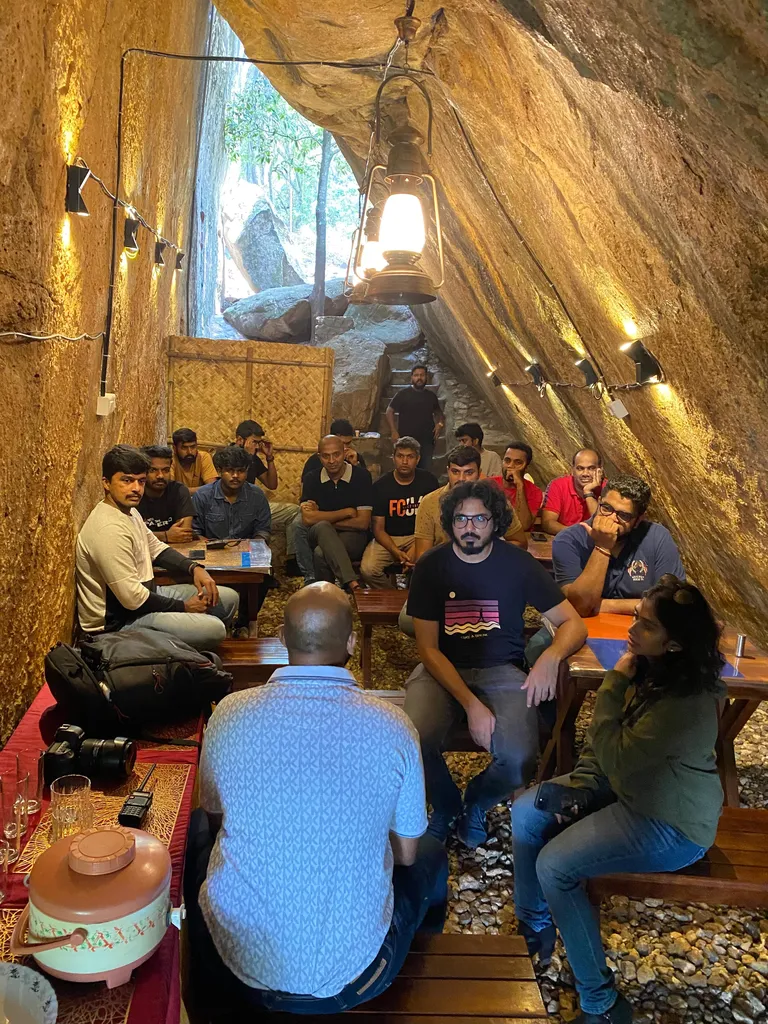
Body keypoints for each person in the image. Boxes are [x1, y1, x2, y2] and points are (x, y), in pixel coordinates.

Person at [184, 583, 448, 1018]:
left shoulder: (229, 713)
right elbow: (405, 855)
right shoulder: (394, 725)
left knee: (195, 834)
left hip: (234, 970)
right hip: (356, 978)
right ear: (351, 642)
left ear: (282, 638)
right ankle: (421, 963)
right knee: (432, 853)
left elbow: (217, 824)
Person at [511, 576, 725, 1024]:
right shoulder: (653, 670)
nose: (632, 629)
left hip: (670, 822)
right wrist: (586, 783)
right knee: (527, 813)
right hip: (628, 788)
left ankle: (602, 1004)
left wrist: (611, 684)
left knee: (555, 866)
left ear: (674, 644)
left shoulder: (684, 701)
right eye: (636, 617)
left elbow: (616, 753)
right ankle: (534, 924)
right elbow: (604, 754)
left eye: (646, 625)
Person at [403, 479, 587, 847]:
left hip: (502, 669)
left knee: (519, 757)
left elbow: (574, 623)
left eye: (480, 519)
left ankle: (476, 802)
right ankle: (446, 805)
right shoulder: (431, 566)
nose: (469, 528)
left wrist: (550, 656)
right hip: (441, 668)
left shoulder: (518, 564)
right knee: (412, 740)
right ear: (449, 522)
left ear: (496, 522)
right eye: (461, 519)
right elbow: (428, 649)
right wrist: (472, 705)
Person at [75, 445, 238, 648]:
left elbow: (156, 547)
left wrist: (194, 568)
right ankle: (182, 657)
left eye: (141, 481)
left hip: (146, 597)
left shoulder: (129, 511)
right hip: (119, 623)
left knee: (228, 599)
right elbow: (132, 599)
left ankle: (187, 651)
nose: (136, 488)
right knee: (214, 629)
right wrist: (185, 607)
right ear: (106, 483)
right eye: (127, 480)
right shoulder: (108, 529)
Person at [552, 474, 685, 618]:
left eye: (624, 515)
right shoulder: (569, 539)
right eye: (606, 508)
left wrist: (601, 605)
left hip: (639, 626)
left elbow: (671, 603)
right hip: (582, 626)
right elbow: (580, 607)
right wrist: (602, 547)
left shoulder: (657, 536)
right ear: (598, 502)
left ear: (638, 520)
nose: (611, 518)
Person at [192, 445, 272, 638]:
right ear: (220, 471)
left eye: (240, 471)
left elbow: (263, 530)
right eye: (229, 470)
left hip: (245, 554)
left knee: (264, 575)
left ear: (247, 471)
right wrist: (208, 546)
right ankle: (216, 621)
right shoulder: (203, 496)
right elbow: (194, 531)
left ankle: (244, 622)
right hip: (211, 555)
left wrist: (255, 549)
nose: (235, 476)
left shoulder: (256, 496)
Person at [414, 445, 527, 560]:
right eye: (455, 472)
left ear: (479, 473)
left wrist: (487, 555)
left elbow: (520, 543)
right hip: (444, 568)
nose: (461, 478)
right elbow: (423, 557)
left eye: (469, 472)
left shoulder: (495, 500)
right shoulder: (429, 503)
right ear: (448, 471)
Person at [297, 435, 374, 590]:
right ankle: (352, 584)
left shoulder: (361, 476)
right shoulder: (312, 478)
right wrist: (346, 512)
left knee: (320, 552)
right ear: (319, 457)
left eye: (336, 455)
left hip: (353, 536)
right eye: (326, 456)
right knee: (322, 527)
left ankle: (327, 595)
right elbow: (307, 519)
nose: (331, 461)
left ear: (344, 452)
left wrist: (322, 517)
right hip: (318, 534)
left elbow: (363, 523)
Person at [361, 437, 438, 588]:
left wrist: (416, 546)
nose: (404, 461)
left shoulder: (429, 481)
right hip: (389, 538)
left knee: (429, 564)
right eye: (400, 456)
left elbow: (435, 521)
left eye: (410, 457)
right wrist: (396, 552)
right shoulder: (381, 486)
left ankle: (413, 594)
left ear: (418, 459)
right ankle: (392, 596)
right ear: (393, 458)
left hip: (419, 535)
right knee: (368, 569)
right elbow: (378, 529)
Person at [234, 420, 301, 574]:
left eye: (259, 443)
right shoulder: (229, 456)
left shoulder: (253, 458)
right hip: (234, 508)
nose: (257, 447)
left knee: (294, 511)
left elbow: (272, 484)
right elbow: (234, 487)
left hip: (254, 507)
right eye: (254, 442)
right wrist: (248, 457)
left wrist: (270, 458)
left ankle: (293, 561)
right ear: (239, 440)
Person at [386, 364, 445, 472]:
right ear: (412, 377)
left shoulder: (431, 396)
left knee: (425, 470)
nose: (419, 378)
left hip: (427, 441)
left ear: (426, 377)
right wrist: (393, 431)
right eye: (416, 375)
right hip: (406, 440)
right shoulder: (403, 394)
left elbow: (439, 413)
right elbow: (389, 411)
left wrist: (440, 424)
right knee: (406, 470)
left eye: (422, 375)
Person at [137, 445, 195, 543]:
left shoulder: (179, 491)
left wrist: (151, 536)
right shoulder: (135, 493)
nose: (160, 476)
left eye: (166, 470)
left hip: (175, 550)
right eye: (153, 470)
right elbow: (131, 536)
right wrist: (165, 536)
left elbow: (183, 534)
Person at [540, 448, 605, 535]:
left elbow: (602, 526)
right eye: (580, 468)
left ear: (600, 470)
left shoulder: (607, 488)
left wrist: (588, 492)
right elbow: (548, 523)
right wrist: (576, 534)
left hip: (597, 540)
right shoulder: (558, 485)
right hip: (567, 537)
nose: (585, 474)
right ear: (572, 470)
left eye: (591, 468)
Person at [489, 442, 544, 533]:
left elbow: (523, 525)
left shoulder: (534, 492)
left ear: (526, 467)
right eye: (507, 460)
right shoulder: (489, 484)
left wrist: (519, 486)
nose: (510, 466)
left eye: (518, 463)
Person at [302, 418, 369, 479]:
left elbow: (363, 483)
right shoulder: (315, 461)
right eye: (341, 443)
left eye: (348, 443)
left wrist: (355, 465)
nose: (345, 448)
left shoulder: (355, 457)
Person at [170, 427, 217, 494]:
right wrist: (202, 490)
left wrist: (181, 491)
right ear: (174, 448)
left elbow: (212, 487)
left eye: (193, 447)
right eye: (184, 448)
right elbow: (170, 490)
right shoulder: (170, 460)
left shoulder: (203, 457)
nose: (189, 452)